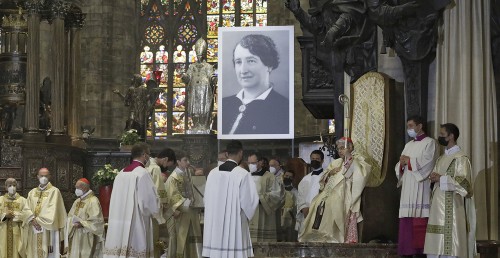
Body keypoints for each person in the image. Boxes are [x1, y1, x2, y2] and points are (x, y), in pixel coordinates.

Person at [299, 137, 371, 243]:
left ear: (350, 148)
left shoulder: (358, 159)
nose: (340, 151)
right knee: (317, 202)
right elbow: (324, 177)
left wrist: (350, 160)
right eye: (338, 149)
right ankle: (317, 234)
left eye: (342, 148)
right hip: (329, 191)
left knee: (332, 203)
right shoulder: (336, 162)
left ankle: (331, 236)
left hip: (344, 191)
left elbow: (362, 175)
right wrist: (330, 173)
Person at [424, 123, 476, 258]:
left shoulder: (461, 159)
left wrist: (441, 178)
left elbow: (465, 185)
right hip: (437, 208)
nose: (439, 137)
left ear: (451, 136)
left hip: (452, 208)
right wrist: (434, 178)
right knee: (435, 248)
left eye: (442, 134)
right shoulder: (441, 159)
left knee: (450, 248)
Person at [221, 34, 289, 135]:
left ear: (269, 65)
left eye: (251, 61)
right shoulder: (224, 104)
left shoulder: (283, 108)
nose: (243, 70)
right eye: (238, 62)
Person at [203, 140, 259, 258]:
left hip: (215, 224)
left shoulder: (212, 173)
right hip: (235, 223)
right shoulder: (243, 174)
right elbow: (250, 202)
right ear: (240, 153)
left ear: (227, 154)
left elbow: (206, 199)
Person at [103, 143, 159, 258]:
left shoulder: (121, 173)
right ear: (144, 155)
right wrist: (157, 209)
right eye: (148, 155)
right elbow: (148, 203)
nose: (149, 158)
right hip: (136, 221)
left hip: (118, 220)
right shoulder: (143, 174)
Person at [395, 115, 438, 257]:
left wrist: (409, 161)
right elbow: (400, 166)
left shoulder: (430, 143)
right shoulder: (408, 145)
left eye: (411, 126)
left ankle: (420, 253)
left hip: (421, 187)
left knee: (419, 220)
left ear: (420, 126)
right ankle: (407, 252)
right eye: (408, 126)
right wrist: (401, 165)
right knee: (407, 221)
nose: (409, 129)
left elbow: (428, 163)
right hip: (408, 187)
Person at [164, 150, 202, 258]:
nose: (188, 162)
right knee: (180, 236)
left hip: (189, 209)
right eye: (185, 160)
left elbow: (190, 189)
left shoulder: (187, 172)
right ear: (178, 162)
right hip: (180, 211)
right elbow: (172, 195)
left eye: (188, 160)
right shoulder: (173, 177)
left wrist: (193, 200)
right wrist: (184, 204)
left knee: (191, 234)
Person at [24, 167, 67, 258]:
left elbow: (53, 210)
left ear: (50, 176)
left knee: (48, 252)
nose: (44, 177)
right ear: (37, 176)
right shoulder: (32, 192)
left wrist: (38, 221)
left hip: (48, 228)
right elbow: (26, 208)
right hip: (33, 227)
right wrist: (32, 219)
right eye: (41, 175)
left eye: (46, 176)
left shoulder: (54, 191)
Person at [248, 152, 285, 242]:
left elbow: (276, 194)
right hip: (249, 212)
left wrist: (261, 199)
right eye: (249, 163)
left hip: (263, 211)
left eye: (253, 163)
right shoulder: (247, 176)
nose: (251, 165)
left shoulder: (270, 176)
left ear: (260, 162)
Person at [64, 178, 105, 258]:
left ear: (85, 188)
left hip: (86, 235)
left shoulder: (93, 201)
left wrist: (82, 223)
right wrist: (70, 222)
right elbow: (70, 216)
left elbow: (96, 221)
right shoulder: (77, 201)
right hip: (75, 233)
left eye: (78, 188)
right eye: (76, 188)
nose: (76, 190)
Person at [146, 148, 176, 258]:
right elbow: (159, 191)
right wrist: (166, 206)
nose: (167, 167)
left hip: (143, 207)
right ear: (165, 159)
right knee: (152, 238)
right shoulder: (155, 168)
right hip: (152, 210)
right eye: (168, 164)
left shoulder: (146, 164)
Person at [183, 38, 216, 134]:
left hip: (205, 89)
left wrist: (214, 79)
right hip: (194, 89)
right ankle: (196, 124)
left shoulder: (208, 66)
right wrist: (184, 77)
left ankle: (204, 125)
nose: (199, 57)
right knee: (194, 108)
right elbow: (188, 76)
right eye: (198, 55)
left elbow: (211, 76)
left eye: (201, 55)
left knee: (204, 107)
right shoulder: (192, 66)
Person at [0, 178, 32, 258]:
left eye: (14, 185)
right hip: (3, 232)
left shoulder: (23, 200)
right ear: (5, 187)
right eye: (9, 185)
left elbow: (27, 214)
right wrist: (4, 216)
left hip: (18, 231)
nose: (12, 187)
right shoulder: (1, 200)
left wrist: (17, 215)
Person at [296, 150, 325, 233]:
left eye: (317, 159)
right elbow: (300, 196)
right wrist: (303, 208)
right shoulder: (305, 179)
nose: (314, 160)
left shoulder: (326, 177)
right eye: (312, 159)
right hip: (306, 212)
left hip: (320, 212)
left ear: (322, 161)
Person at [279, 170, 298, 242]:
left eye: (290, 177)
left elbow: (296, 205)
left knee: (289, 237)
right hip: (278, 215)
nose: (288, 178)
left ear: (293, 179)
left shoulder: (295, 191)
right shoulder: (278, 189)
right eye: (286, 176)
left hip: (289, 217)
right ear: (283, 176)